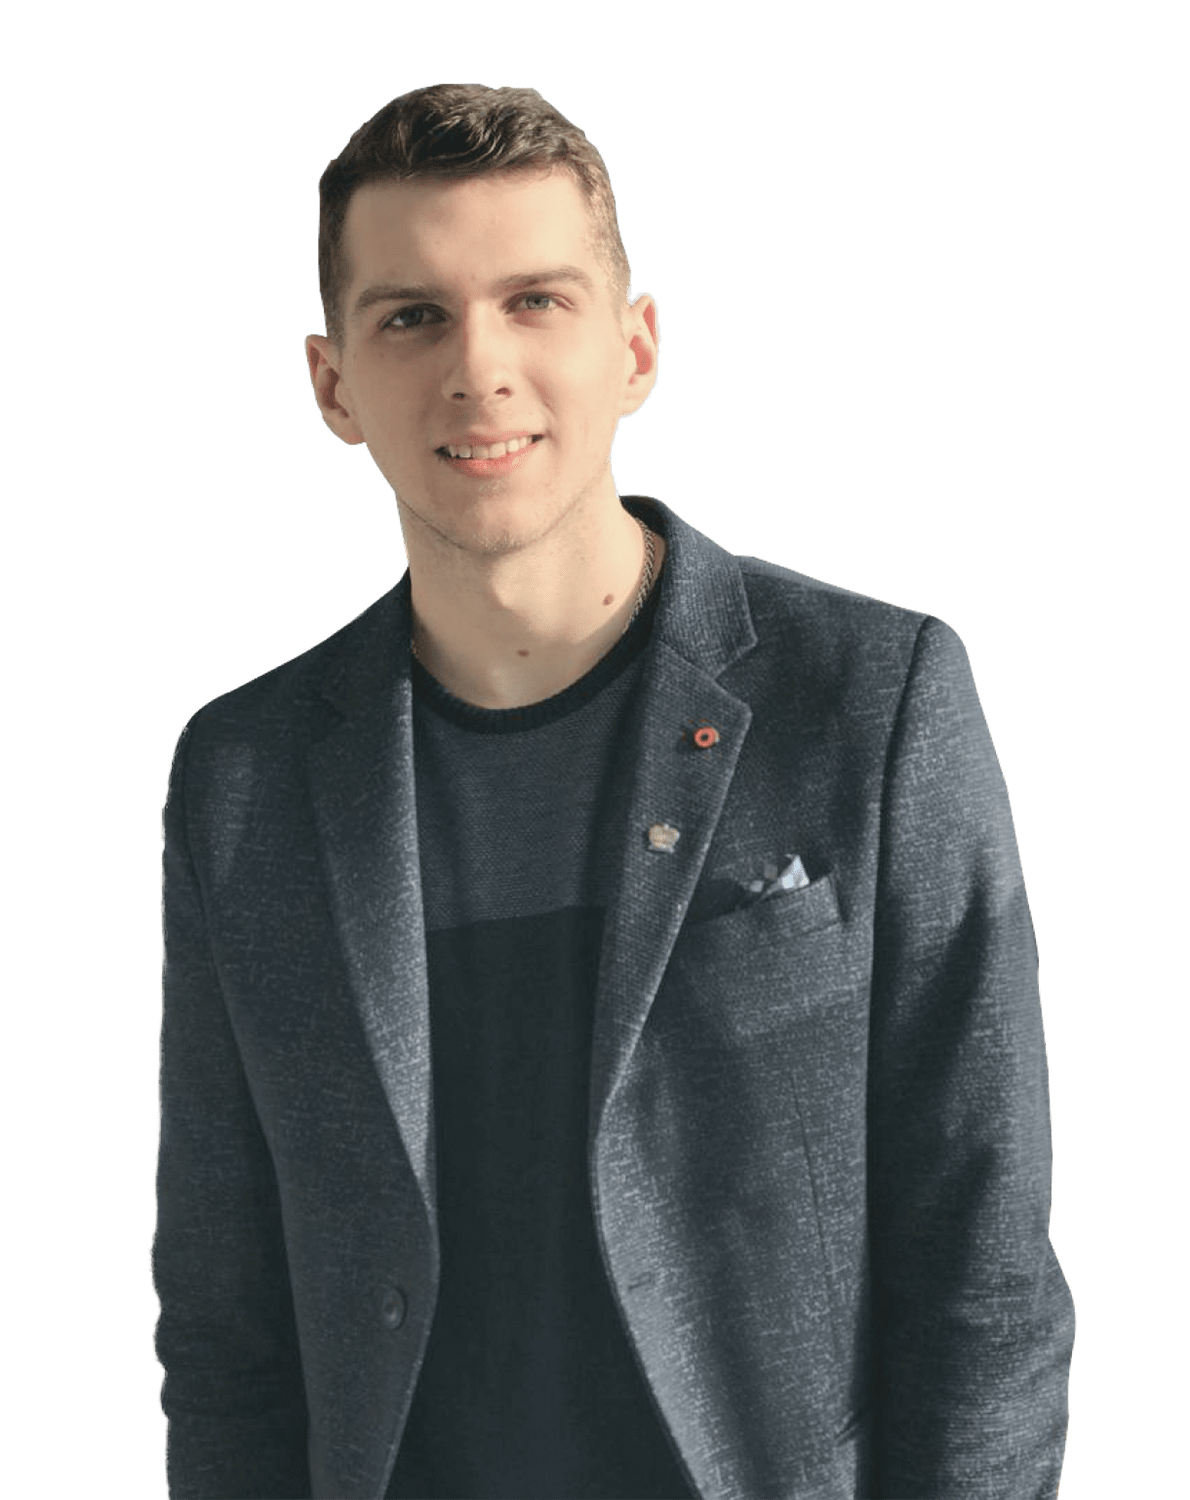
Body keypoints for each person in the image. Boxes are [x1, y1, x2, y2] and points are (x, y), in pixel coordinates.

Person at [151, 82, 1076, 1500]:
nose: (479, 368)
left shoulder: (869, 701)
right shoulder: (245, 779)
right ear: (333, 385)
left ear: (633, 347)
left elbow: (985, 1270)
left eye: (535, 301)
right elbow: (225, 1321)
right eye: (412, 317)